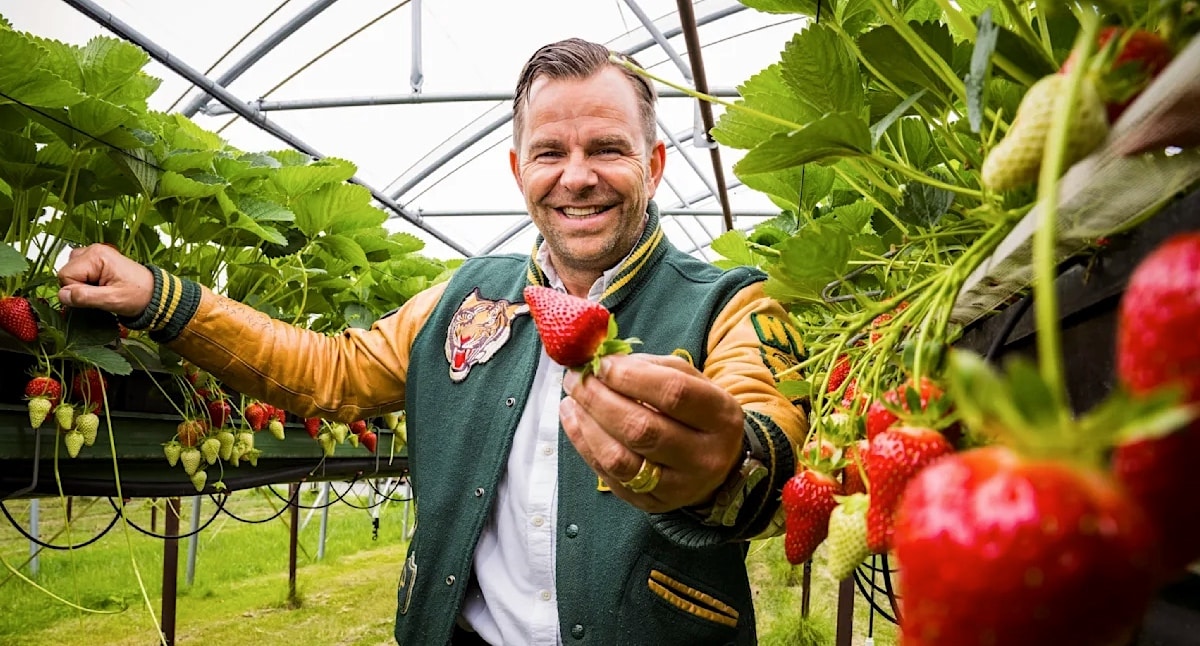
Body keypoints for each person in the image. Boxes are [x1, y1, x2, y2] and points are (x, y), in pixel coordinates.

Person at [58, 38, 807, 646]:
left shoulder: (729, 302)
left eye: (607, 149)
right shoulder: (463, 298)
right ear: (519, 171)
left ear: (656, 163)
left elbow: (764, 421)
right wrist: (163, 299)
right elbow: (332, 371)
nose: (576, 178)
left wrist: (727, 469)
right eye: (550, 153)